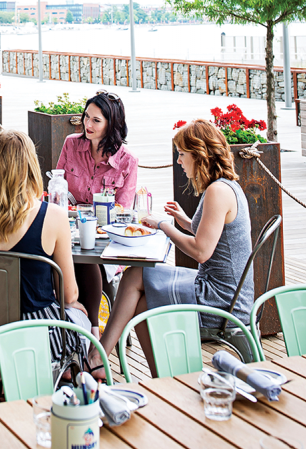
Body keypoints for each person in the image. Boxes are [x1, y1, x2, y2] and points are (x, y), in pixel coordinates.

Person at [94, 118, 254, 378]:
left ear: (199, 155)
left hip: (220, 299)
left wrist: (166, 226)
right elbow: (215, 236)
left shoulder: (217, 192)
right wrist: (186, 222)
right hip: (225, 290)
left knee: (135, 274)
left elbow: (202, 251)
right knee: (141, 303)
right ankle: (164, 377)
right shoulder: (227, 186)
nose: (179, 161)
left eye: (181, 154)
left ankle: (99, 356)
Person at [0, 130, 90, 366]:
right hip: (38, 342)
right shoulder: (53, 216)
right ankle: (68, 376)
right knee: (80, 315)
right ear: (31, 166)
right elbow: (69, 295)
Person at [55, 90, 138, 335]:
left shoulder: (127, 161)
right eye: (86, 117)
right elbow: (58, 188)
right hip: (69, 231)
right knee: (68, 254)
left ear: (111, 124)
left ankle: (87, 327)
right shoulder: (72, 143)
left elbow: (124, 211)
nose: (87, 125)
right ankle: (82, 326)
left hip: (107, 240)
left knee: (83, 256)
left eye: (96, 120)